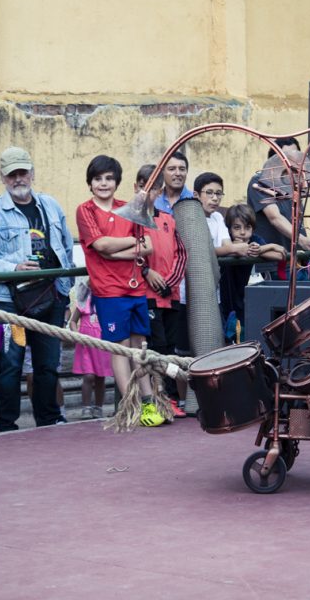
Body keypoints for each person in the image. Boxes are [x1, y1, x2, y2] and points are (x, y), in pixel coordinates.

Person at [0, 146, 75, 432]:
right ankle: (6, 425)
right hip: (10, 303)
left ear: (32, 173)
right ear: (3, 178)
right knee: (11, 363)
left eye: (22, 172)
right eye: (12, 174)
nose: (18, 178)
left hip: (51, 296)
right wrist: (14, 267)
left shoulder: (50, 205)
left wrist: (66, 292)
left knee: (48, 364)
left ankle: (48, 419)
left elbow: (66, 246)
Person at [74, 155, 164, 427]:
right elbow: (100, 245)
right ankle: (131, 406)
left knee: (139, 347)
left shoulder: (130, 207)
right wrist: (128, 244)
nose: (103, 183)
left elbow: (148, 245)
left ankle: (149, 404)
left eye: (109, 178)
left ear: (117, 182)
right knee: (120, 348)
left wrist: (117, 251)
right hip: (109, 290)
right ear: (90, 183)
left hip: (135, 288)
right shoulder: (85, 210)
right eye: (98, 178)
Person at [136, 165, 189, 416]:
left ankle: (171, 399)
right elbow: (133, 255)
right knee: (154, 347)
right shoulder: (132, 221)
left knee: (170, 348)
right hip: (147, 296)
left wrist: (171, 281)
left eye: (156, 187)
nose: (151, 191)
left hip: (171, 294)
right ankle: (156, 398)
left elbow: (181, 254)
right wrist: (147, 272)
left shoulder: (169, 219)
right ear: (137, 186)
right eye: (146, 186)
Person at [220, 203, 285, 342]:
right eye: (237, 227)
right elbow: (240, 249)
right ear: (229, 229)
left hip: (251, 294)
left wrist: (261, 249)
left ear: (253, 228)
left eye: (247, 227)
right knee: (233, 329)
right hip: (230, 294)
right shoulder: (227, 243)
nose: (243, 233)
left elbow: (280, 256)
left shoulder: (256, 240)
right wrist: (270, 246)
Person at [246, 152, 310, 278]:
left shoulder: (293, 184)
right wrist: (302, 240)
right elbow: (275, 218)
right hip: (277, 262)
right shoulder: (260, 181)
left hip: (299, 260)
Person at [68, 273, 111, 420]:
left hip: (102, 345)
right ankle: (86, 407)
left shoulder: (107, 302)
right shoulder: (84, 301)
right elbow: (73, 321)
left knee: (101, 377)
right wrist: (77, 335)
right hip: (86, 345)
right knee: (88, 376)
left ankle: (98, 407)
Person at [194, 172, 245, 258]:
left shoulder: (217, 217)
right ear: (196, 195)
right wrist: (234, 248)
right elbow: (200, 251)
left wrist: (233, 248)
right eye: (209, 192)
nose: (215, 198)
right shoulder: (191, 218)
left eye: (218, 193)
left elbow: (227, 245)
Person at [154, 151, 194, 215]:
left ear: (187, 172)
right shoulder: (153, 200)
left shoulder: (195, 200)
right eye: (172, 169)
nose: (178, 173)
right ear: (162, 172)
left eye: (182, 169)